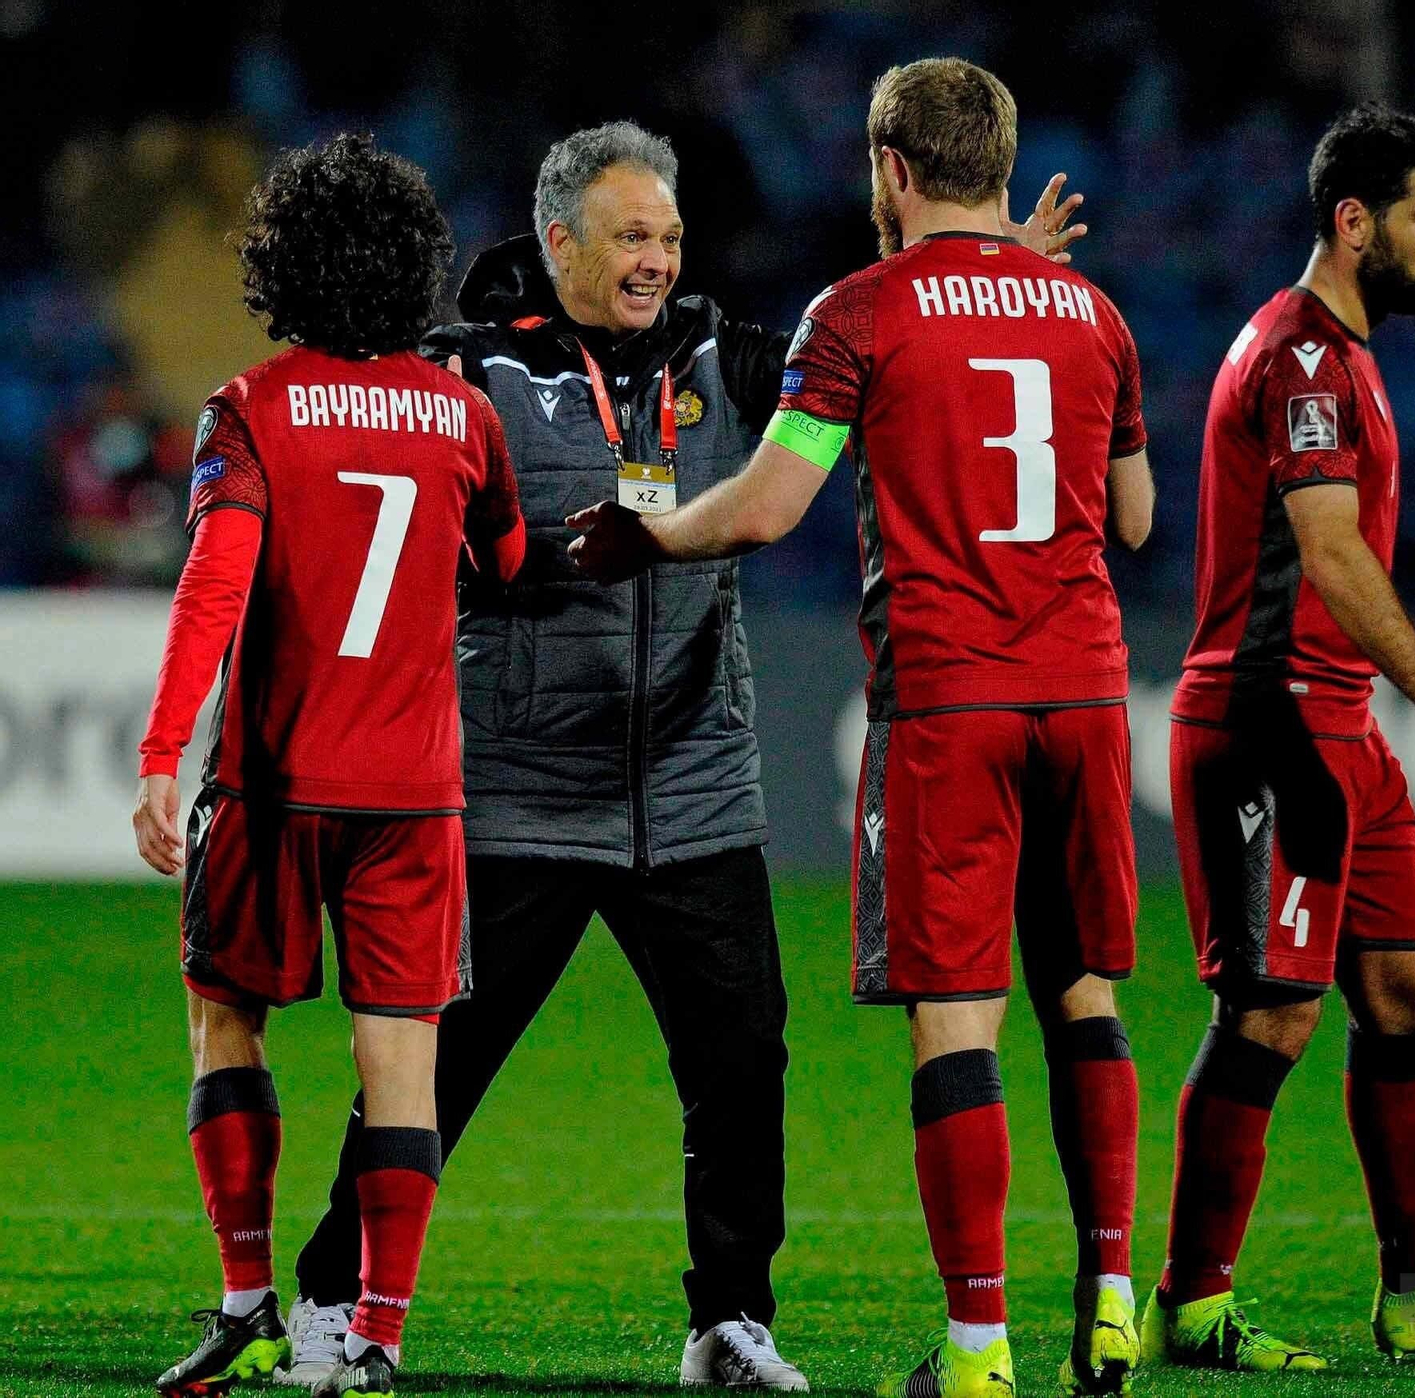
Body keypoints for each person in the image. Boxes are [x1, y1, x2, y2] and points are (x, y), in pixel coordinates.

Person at [279, 116, 1098, 1390]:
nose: (657, 260)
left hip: (694, 784)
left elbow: (875, 354)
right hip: (518, 789)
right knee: (434, 1060)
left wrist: (980, 273)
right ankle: (333, 1296)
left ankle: (729, 1321)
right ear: (559, 241)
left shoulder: (730, 357)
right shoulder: (464, 373)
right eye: (630, 237)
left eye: (668, 236)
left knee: (741, 1063)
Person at [569, 61, 1153, 1398]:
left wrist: (650, 532)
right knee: (1086, 993)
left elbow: (769, 505)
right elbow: (1133, 520)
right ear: (1001, 163)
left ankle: (980, 1348)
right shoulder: (1094, 315)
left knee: (959, 1018)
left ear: (891, 167)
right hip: (1083, 690)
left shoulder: (858, 314)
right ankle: (1113, 1298)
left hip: (952, 698)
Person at [1146, 103, 1415, 1371]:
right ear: (1352, 222)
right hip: (1270, 723)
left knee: (1404, 992)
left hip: (1338, 725)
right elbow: (1328, 554)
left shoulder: (1343, 352)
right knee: (1269, 1014)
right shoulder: (1300, 360)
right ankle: (1192, 1306)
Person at [133, 133, 526, 1398]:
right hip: (413, 794)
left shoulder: (250, 408)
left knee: (225, 1020)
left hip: (272, 783)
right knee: (398, 1061)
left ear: (283, 265)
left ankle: (249, 1302)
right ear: (414, 266)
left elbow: (212, 585)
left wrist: (161, 752)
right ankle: (376, 1336)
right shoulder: (465, 415)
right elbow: (508, 562)